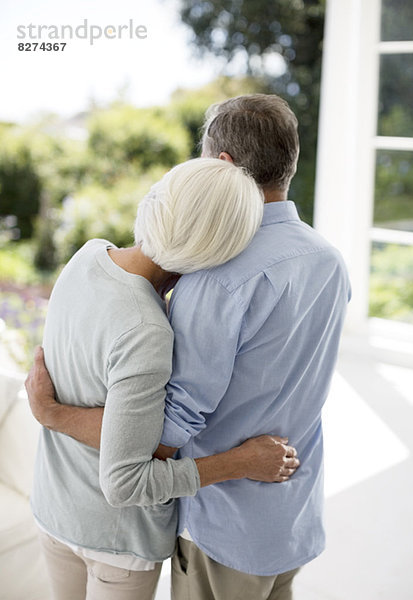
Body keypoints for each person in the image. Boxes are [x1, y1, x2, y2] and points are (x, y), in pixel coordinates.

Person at [27, 94, 351, 600]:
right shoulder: (330, 259)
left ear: (221, 165)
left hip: (222, 528)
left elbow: (150, 447)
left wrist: (53, 413)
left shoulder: (214, 280)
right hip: (293, 512)